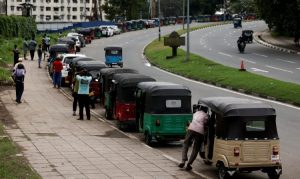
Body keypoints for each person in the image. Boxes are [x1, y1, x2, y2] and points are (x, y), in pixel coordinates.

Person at [178, 105, 208, 171]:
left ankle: (183, 161)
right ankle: (189, 164)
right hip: (200, 131)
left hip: (191, 128)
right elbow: (206, 123)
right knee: (196, 148)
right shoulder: (206, 115)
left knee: (186, 143)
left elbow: (193, 119)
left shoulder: (196, 113)